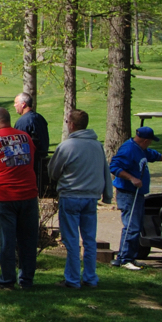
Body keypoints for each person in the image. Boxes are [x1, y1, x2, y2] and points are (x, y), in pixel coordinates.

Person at [47, 109, 113, 288]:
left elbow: (53, 172)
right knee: (89, 240)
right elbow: (105, 171)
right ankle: (90, 277)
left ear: (72, 125)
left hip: (70, 196)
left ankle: (73, 279)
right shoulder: (97, 145)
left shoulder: (67, 146)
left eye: (68, 122)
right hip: (91, 197)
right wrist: (107, 195)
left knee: (72, 240)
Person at [0, 106, 39, 289]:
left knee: (6, 241)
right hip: (28, 195)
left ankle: (7, 280)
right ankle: (26, 280)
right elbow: (30, 159)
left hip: (4, 197)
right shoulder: (26, 137)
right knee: (28, 241)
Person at [109, 126, 162, 269]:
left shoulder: (140, 149)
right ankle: (124, 259)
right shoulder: (128, 149)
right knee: (132, 226)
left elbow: (152, 154)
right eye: (150, 141)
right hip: (128, 193)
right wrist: (132, 178)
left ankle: (130, 257)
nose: (150, 144)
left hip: (137, 194)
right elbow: (114, 167)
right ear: (145, 140)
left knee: (135, 225)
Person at [14, 93, 52, 197]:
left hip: (29, 165)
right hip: (41, 163)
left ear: (23, 104)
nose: (14, 106)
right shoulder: (40, 118)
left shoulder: (22, 122)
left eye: (16, 103)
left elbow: (18, 146)